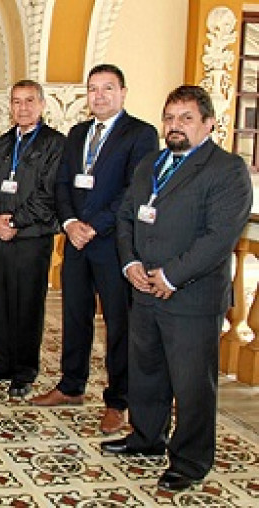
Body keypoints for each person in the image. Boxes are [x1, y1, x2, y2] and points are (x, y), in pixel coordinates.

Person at [103, 85, 251, 491]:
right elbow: (127, 216)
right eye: (169, 117)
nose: (175, 126)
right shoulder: (151, 162)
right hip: (143, 288)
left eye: (186, 118)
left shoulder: (227, 169)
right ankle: (147, 438)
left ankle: (190, 459)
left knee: (191, 382)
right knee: (146, 371)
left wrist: (171, 276)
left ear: (208, 123)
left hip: (190, 295)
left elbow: (219, 237)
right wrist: (130, 262)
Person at [32, 64, 158, 435]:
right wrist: (70, 223)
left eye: (107, 88)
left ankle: (118, 401)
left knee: (118, 324)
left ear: (123, 92)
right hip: (75, 242)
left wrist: (95, 225)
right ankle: (71, 385)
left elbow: (133, 191)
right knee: (74, 316)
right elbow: (62, 184)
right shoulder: (77, 133)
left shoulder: (141, 134)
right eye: (93, 89)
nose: (99, 95)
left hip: (114, 245)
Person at [0, 79, 64, 397]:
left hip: (31, 237)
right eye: (16, 101)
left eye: (29, 101)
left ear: (41, 105)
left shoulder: (55, 144)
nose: (22, 108)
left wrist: (13, 221)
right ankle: (0, 362)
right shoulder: (1, 144)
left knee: (26, 305)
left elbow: (48, 194)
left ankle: (24, 370)